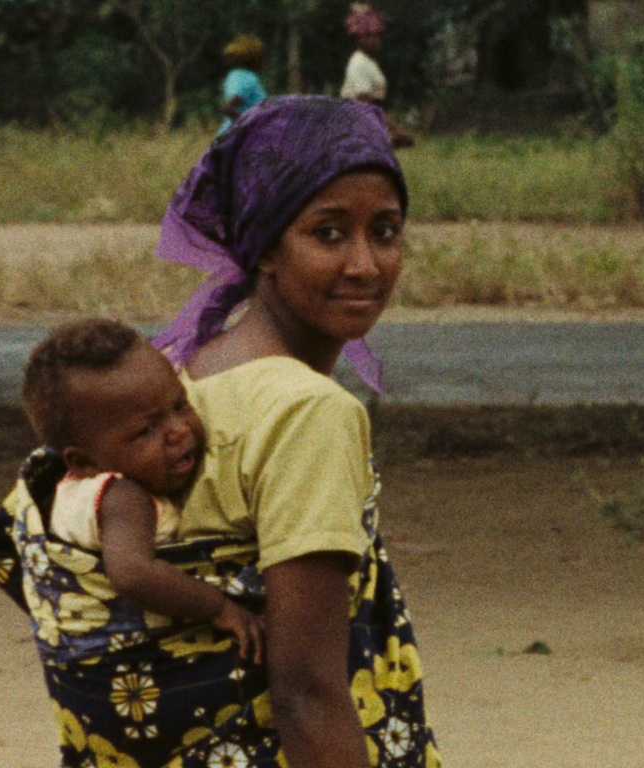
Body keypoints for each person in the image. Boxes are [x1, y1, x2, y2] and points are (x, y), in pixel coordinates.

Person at [151, 94, 441, 767]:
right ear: (265, 244)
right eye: (329, 233)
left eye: (387, 230)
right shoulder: (307, 411)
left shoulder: (175, 376)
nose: (366, 264)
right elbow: (306, 692)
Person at [0, 318, 265, 766]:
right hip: (129, 680)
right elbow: (132, 574)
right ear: (83, 459)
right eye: (145, 431)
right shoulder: (121, 496)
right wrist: (221, 607)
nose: (178, 431)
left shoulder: (65, 489)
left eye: (179, 405)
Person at [340, 3, 414, 148]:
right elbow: (366, 104)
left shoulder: (369, 63)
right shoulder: (358, 63)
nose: (374, 41)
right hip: (356, 127)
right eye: (369, 36)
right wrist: (395, 129)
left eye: (377, 36)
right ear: (358, 39)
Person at [219, 33, 267, 135]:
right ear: (253, 59)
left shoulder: (235, 74)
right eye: (262, 57)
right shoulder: (246, 78)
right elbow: (228, 107)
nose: (265, 61)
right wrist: (247, 126)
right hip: (236, 140)